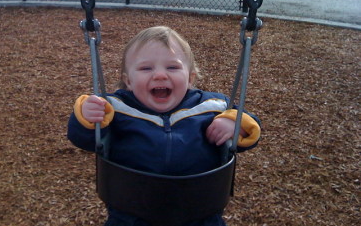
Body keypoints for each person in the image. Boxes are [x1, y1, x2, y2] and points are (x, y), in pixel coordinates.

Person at [68, 26, 261, 226]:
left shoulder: (212, 106)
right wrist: (86, 116)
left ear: (190, 78)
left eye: (172, 67)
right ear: (128, 82)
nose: (160, 75)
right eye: (146, 68)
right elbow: (84, 138)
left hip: (200, 212)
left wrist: (234, 122)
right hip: (132, 214)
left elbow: (251, 127)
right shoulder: (115, 108)